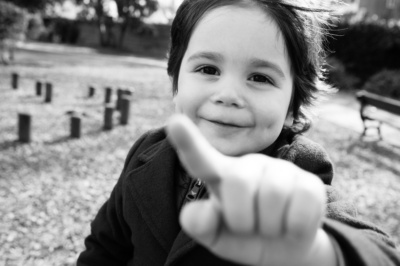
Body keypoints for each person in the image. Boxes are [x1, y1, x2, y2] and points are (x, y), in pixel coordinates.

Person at [77, 0, 400, 265]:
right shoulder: (147, 153)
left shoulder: (298, 183)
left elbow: (380, 254)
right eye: (208, 69)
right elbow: (104, 247)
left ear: (292, 106)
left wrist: (320, 253)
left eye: (260, 77)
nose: (228, 93)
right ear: (176, 81)